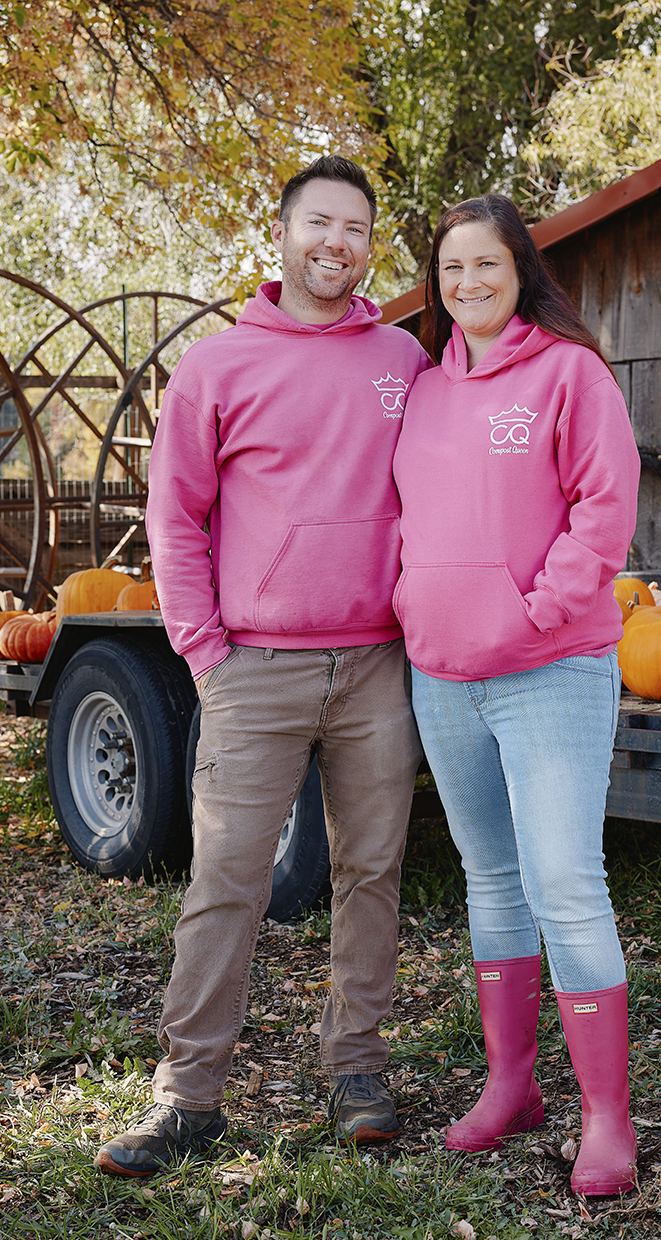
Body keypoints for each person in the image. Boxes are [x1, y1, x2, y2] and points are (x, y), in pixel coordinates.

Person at [94, 155, 429, 1178]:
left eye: (357, 229)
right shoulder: (216, 366)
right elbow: (175, 518)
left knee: (372, 872)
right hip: (255, 667)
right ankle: (187, 1094)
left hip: (378, 664)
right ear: (281, 234)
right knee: (227, 879)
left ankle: (356, 1068)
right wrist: (203, 652)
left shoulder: (402, 360)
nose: (338, 243)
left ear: (371, 247)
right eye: (320, 223)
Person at [392, 195, 641, 1197]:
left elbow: (604, 503)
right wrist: (410, 606)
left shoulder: (566, 373)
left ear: (519, 269)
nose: (467, 286)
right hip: (441, 672)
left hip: (549, 669)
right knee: (488, 878)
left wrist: (539, 609)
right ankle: (510, 1084)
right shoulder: (424, 386)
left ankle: (606, 1119)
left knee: (565, 884)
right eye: (451, 271)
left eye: (485, 266)